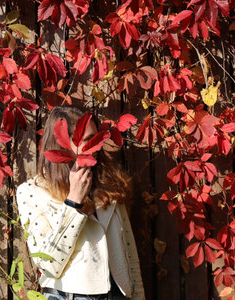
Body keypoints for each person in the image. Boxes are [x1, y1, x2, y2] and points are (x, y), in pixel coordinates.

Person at [16, 106, 145, 300]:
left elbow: (130, 257)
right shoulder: (32, 192)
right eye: (86, 141)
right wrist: (73, 202)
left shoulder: (109, 185)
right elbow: (49, 265)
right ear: (63, 145)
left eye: (95, 139)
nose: (94, 147)